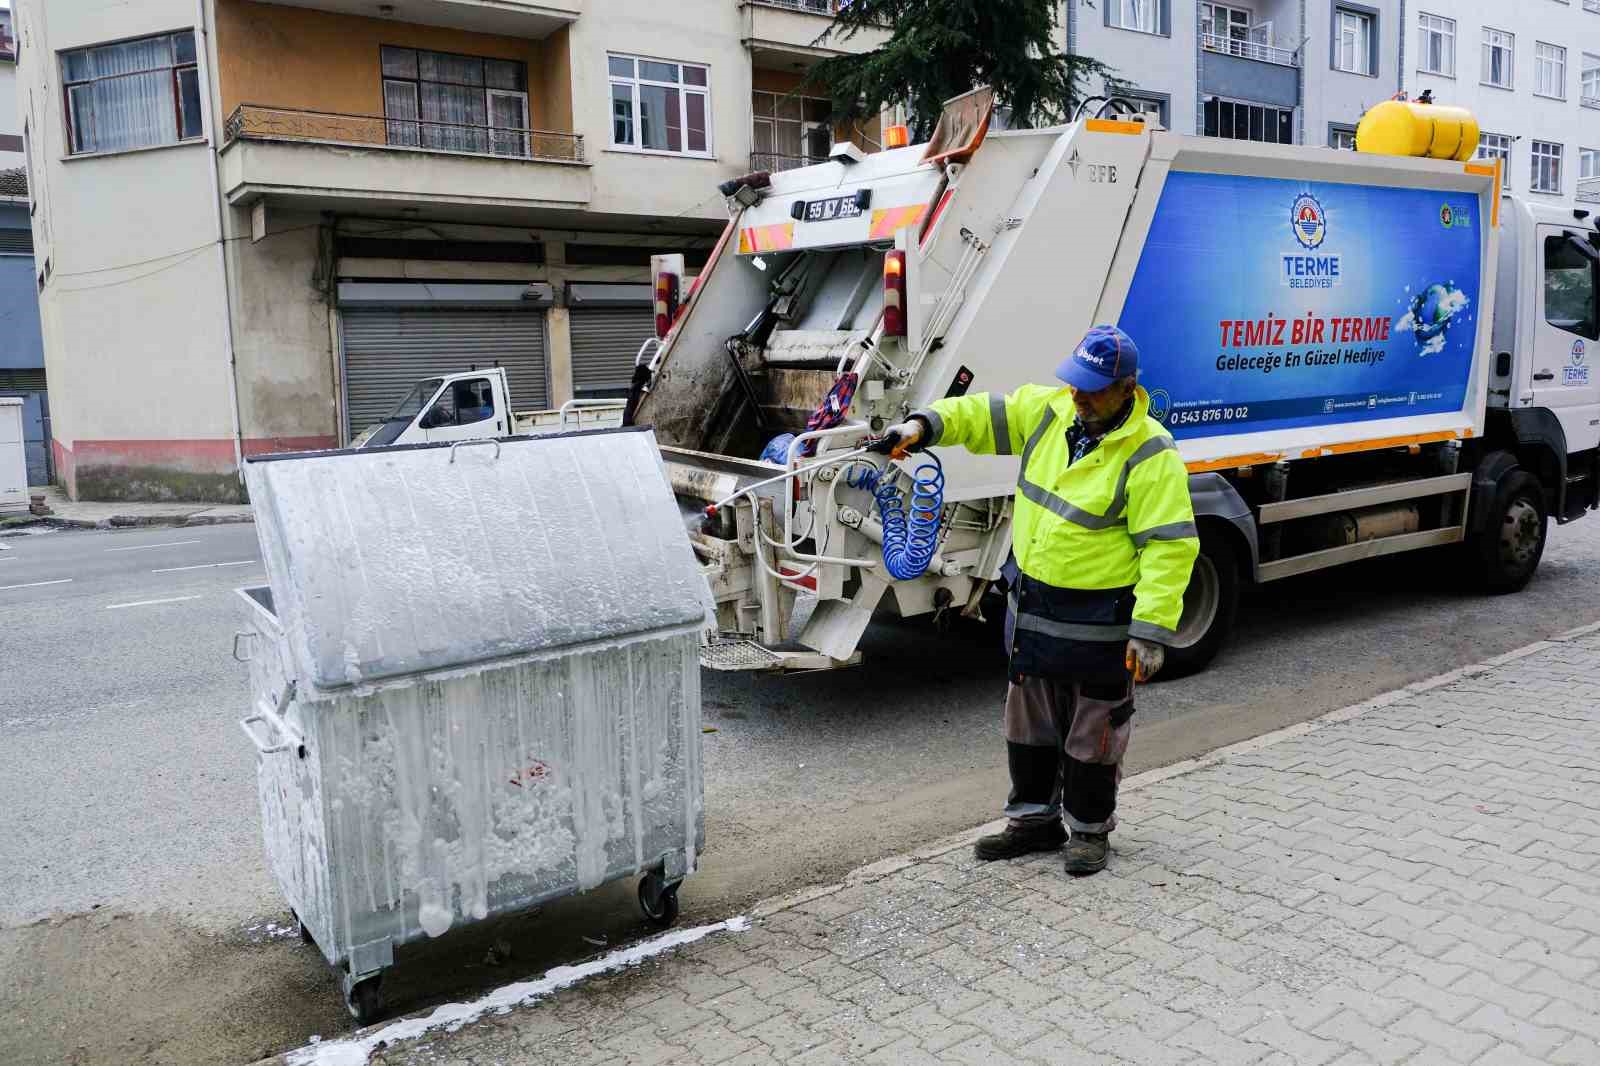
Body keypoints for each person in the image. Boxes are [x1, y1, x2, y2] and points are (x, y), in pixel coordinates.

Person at [872, 325, 1197, 875]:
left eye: (1094, 388)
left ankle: (1090, 832)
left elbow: (1169, 549)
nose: (1080, 396)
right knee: (1028, 729)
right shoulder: (1048, 413)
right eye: (1075, 384)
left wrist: (1150, 631)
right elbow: (979, 415)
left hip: (1100, 623)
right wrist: (921, 425)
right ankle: (1032, 822)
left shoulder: (1150, 453)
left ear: (1128, 387)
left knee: (1093, 736)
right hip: (1034, 611)